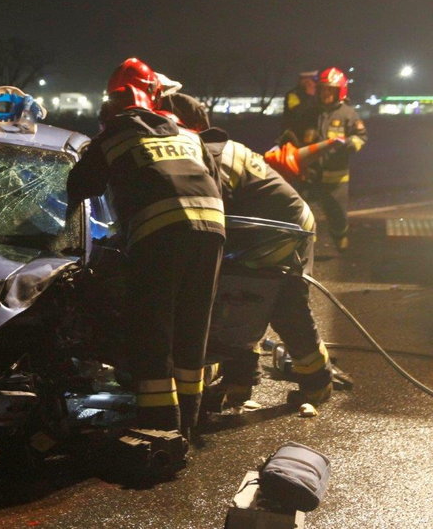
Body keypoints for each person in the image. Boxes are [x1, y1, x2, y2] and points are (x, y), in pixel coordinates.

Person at [66, 58, 225, 439]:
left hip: (158, 236)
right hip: (212, 231)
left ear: (111, 104)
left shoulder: (115, 134)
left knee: (152, 331)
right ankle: (191, 422)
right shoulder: (187, 133)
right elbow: (215, 183)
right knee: (192, 329)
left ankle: (159, 427)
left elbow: (79, 187)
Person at [170, 97, 333, 407]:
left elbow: (212, 209)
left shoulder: (212, 155)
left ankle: (317, 385)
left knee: (285, 308)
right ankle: (239, 383)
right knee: (237, 302)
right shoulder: (211, 149)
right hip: (258, 233)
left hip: (283, 234)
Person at [299, 67, 368, 251]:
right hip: (309, 175)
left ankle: (340, 237)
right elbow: (296, 137)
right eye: (323, 89)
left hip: (336, 179)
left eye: (331, 89)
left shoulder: (348, 114)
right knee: (301, 212)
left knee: (337, 214)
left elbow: (361, 137)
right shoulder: (310, 113)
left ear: (340, 91)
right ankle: (302, 247)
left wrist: (349, 144)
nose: (326, 93)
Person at [279, 70, 318, 145]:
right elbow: (297, 112)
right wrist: (309, 96)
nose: (312, 83)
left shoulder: (318, 94)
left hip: (314, 135)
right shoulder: (293, 94)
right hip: (295, 137)